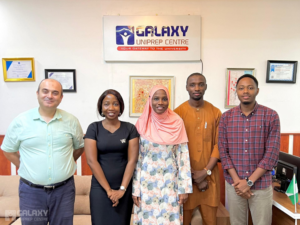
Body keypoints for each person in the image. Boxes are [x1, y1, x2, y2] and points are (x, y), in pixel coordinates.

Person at [1, 78, 84, 225]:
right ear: (37, 93)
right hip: (31, 192)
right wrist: (24, 165)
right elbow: (8, 150)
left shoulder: (71, 121)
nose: (49, 96)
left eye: (55, 93)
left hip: (64, 191)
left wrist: (67, 161)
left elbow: (79, 147)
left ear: (61, 97)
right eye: (45, 91)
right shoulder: (21, 121)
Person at [219, 74, 280, 225]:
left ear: (257, 91)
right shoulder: (226, 117)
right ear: (236, 91)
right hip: (235, 185)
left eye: (250, 87)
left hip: (260, 185)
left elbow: (271, 155)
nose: (245, 91)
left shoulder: (271, 116)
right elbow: (223, 152)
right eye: (241, 88)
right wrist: (238, 182)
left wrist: (250, 182)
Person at [132, 85, 192, 225]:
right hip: (146, 184)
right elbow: (136, 159)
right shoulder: (142, 123)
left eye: (164, 99)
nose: (160, 102)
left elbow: (183, 157)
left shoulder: (177, 122)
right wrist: (135, 189)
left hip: (170, 183)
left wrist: (184, 188)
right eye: (156, 98)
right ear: (150, 100)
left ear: (168, 100)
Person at [84, 89, 139, 225]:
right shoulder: (93, 128)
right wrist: (109, 190)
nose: (111, 108)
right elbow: (91, 161)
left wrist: (122, 189)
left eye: (115, 104)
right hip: (100, 189)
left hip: (124, 187)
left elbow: (132, 161)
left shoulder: (130, 129)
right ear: (101, 107)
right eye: (106, 104)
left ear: (120, 107)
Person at [174, 73, 222, 225]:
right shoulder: (177, 114)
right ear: (187, 87)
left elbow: (219, 145)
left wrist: (205, 172)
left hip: (210, 177)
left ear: (206, 87)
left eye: (201, 84)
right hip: (185, 179)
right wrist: (193, 176)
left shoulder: (215, 113)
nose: (197, 88)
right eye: (192, 84)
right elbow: (176, 149)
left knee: (210, 221)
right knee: (184, 220)